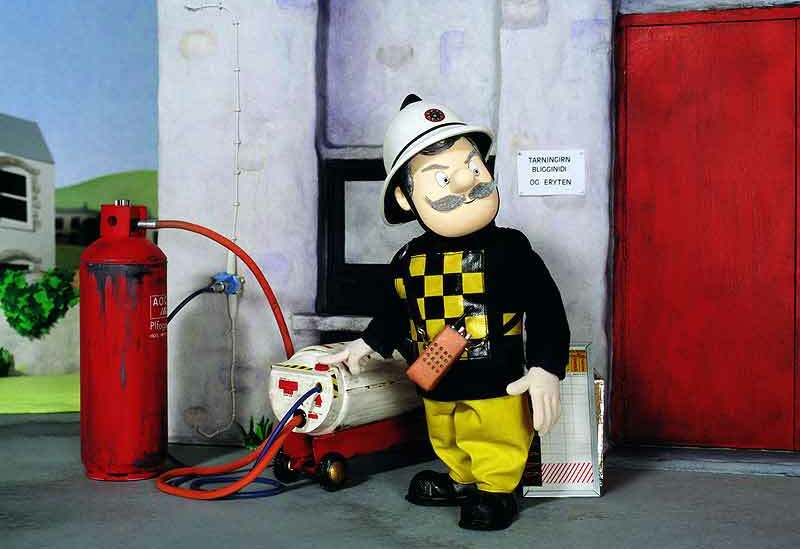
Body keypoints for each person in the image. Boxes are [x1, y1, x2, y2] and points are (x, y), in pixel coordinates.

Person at [321, 94, 570, 530]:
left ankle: (496, 488)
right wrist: (367, 342)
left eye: (473, 166)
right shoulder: (407, 258)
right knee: (444, 428)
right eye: (441, 176)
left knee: (495, 431)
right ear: (405, 198)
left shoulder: (510, 250)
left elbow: (546, 306)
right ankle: (461, 477)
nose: (464, 181)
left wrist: (546, 366)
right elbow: (396, 310)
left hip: (495, 375)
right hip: (434, 371)